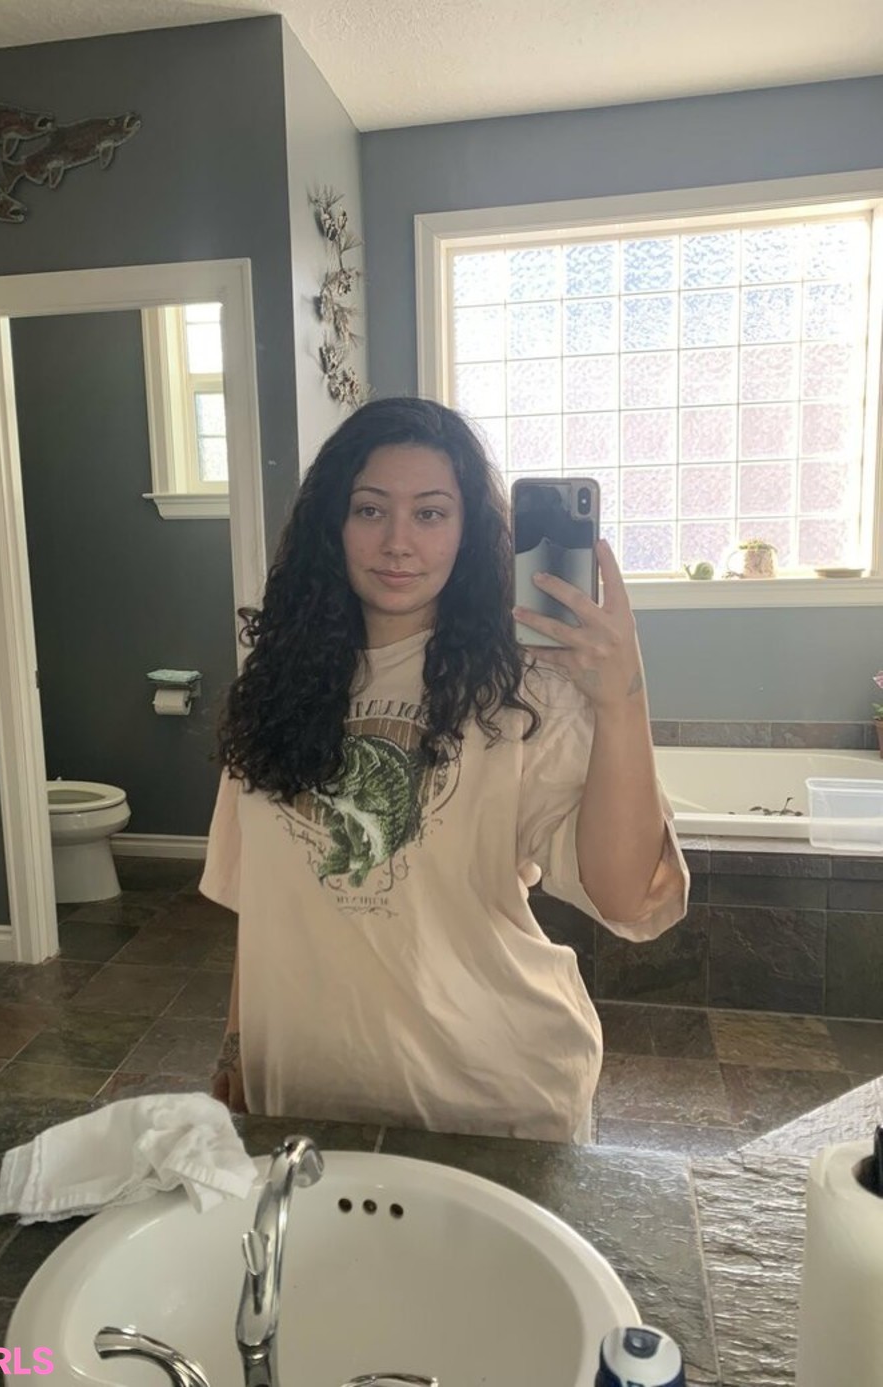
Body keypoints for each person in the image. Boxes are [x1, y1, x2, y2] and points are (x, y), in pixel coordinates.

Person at [200, 397, 688, 1142]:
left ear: (468, 531)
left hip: (490, 1100)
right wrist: (236, 1045)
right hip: (304, 1098)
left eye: (430, 514)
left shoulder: (523, 688)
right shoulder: (274, 688)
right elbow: (258, 900)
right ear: (333, 523)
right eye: (370, 509)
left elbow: (624, 894)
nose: (398, 542)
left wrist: (623, 698)